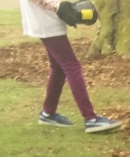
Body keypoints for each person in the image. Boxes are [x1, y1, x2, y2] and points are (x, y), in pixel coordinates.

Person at [20, 0, 120, 133]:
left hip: (49, 19)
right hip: (46, 21)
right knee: (72, 66)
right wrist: (58, 7)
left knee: (58, 68)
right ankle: (90, 119)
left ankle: (48, 113)